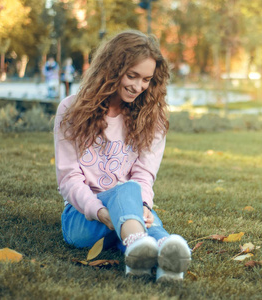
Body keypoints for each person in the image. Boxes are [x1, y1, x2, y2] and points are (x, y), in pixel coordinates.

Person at [54, 30, 191, 282]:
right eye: (132, 76)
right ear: (112, 69)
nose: (138, 86)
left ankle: (146, 258)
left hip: (130, 209)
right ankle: (155, 243)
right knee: (126, 191)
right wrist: (100, 211)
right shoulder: (72, 110)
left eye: (147, 79)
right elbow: (69, 178)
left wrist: (144, 205)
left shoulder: (153, 118)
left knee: (131, 194)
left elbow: (144, 174)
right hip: (81, 219)